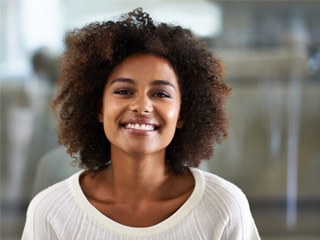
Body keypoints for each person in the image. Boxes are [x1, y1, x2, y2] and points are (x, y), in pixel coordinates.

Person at [22, 8, 260, 239]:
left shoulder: (224, 207)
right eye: (124, 91)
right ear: (99, 108)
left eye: (161, 94)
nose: (142, 106)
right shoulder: (51, 211)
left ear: (182, 114)